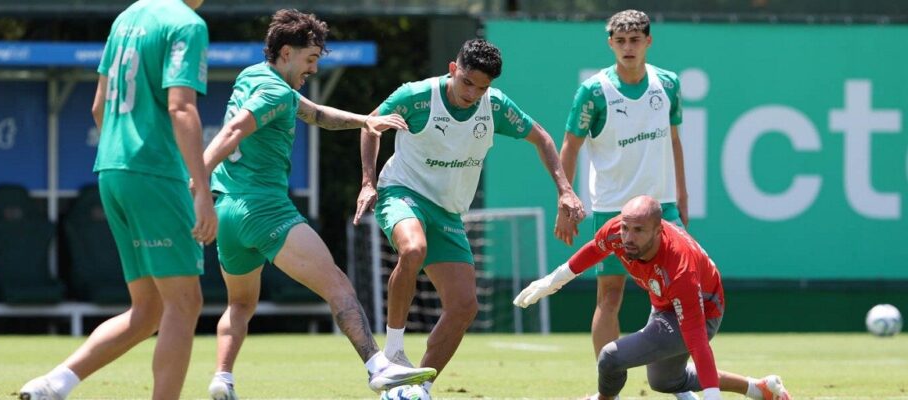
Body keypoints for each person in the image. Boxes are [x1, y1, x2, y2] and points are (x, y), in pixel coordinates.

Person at [201, 9, 436, 400]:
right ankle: (378, 367)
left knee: (240, 302)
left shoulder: (253, 77)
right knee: (338, 286)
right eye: (310, 59)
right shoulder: (275, 91)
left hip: (227, 212)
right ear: (287, 52)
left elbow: (316, 114)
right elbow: (235, 129)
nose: (313, 68)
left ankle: (221, 379)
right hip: (264, 209)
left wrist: (366, 121)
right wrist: (197, 176)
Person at [354, 39, 584, 395]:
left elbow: (542, 138)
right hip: (402, 191)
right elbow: (371, 126)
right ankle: (393, 354)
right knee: (412, 250)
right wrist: (368, 182)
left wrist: (565, 190)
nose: (473, 93)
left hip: (448, 210)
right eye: (467, 82)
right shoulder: (415, 97)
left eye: (483, 87)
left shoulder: (494, 107)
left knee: (464, 307)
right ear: (452, 69)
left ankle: (419, 387)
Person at [19, 0, 217, 399]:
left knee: (148, 311)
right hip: (155, 172)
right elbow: (181, 108)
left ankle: (51, 386)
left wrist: (124, 152)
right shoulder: (186, 23)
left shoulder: (128, 16)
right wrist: (201, 187)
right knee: (184, 302)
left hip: (112, 168)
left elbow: (98, 107)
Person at [514, 195, 792, 400]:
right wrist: (552, 281)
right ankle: (759, 388)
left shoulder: (680, 267)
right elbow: (593, 250)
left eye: (638, 230)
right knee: (666, 381)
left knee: (610, 357)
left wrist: (712, 397)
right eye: (625, 228)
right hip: (665, 304)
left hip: (703, 311)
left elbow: (696, 339)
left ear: (659, 231)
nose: (627, 237)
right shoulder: (618, 232)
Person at [554, 11, 691, 398]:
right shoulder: (593, 91)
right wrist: (566, 200)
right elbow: (571, 145)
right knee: (609, 296)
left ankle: (677, 381)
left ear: (649, 42)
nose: (628, 47)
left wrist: (682, 198)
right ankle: (607, 390)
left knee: (677, 296)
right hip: (613, 208)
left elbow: (675, 141)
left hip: (662, 206)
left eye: (635, 40)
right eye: (620, 40)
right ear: (610, 43)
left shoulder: (668, 83)